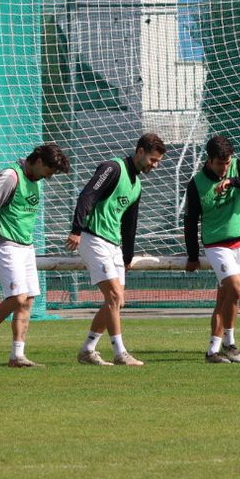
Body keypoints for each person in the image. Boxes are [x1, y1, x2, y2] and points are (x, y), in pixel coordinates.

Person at [0, 143, 72, 369]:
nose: (50, 177)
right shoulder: (10, 177)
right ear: (39, 161)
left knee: (28, 300)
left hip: (26, 246)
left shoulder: (36, 181)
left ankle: (17, 356)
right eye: (50, 171)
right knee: (18, 296)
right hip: (5, 243)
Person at [66, 133, 167, 367]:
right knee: (113, 296)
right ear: (139, 151)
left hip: (114, 244)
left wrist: (127, 255)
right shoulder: (112, 168)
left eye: (158, 161)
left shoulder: (137, 185)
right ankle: (120, 353)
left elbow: (130, 222)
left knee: (117, 300)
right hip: (93, 238)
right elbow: (87, 195)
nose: (155, 165)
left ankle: (88, 349)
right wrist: (76, 230)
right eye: (153, 159)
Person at [183, 135, 240, 364]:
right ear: (209, 161)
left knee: (228, 296)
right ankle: (229, 343)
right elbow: (190, 222)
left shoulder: (238, 166)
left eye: (227, 162)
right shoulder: (196, 184)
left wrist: (234, 181)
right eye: (220, 163)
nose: (224, 167)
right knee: (237, 286)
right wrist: (192, 256)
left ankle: (215, 349)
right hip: (216, 244)